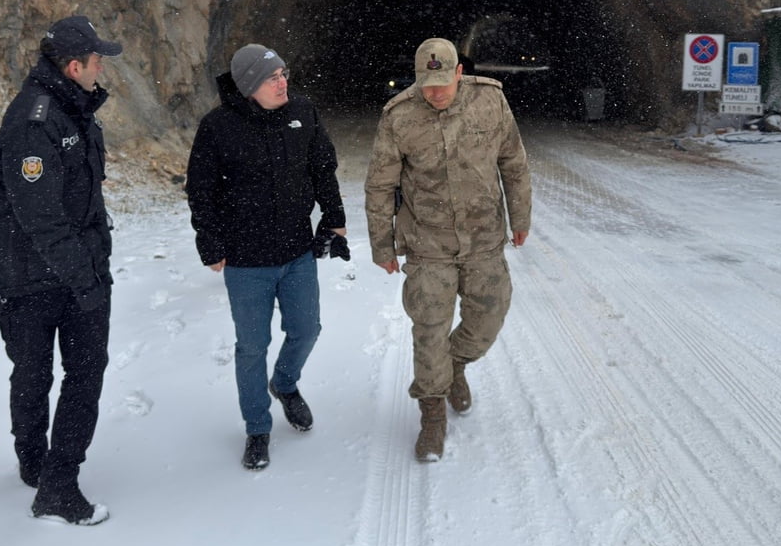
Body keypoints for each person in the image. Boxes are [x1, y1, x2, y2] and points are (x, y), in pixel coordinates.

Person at [0, 15, 122, 526]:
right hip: (32, 278)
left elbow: (83, 200)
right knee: (40, 373)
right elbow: (40, 217)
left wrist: (93, 265)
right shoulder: (35, 122)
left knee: (76, 373)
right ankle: (51, 482)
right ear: (73, 66)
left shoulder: (73, 111)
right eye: (96, 59)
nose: (101, 66)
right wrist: (86, 280)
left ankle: (47, 469)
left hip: (70, 269)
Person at [364, 37, 531, 461]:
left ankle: (454, 365)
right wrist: (382, 244)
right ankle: (432, 415)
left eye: (443, 84)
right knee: (429, 329)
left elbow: (513, 163)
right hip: (428, 242)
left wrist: (520, 218)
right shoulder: (399, 116)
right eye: (427, 85)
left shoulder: (490, 101)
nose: (435, 93)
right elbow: (380, 184)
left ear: (459, 72)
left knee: (489, 316)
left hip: (483, 238)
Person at [186, 43, 348, 470]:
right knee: (252, 346)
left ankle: (285, 384)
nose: (282, 83)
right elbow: (201, 190)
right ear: (248, 87)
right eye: (271, 78)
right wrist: (209, 242)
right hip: (246, 262)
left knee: (307, 329)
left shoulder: (303, 113)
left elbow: (323, 168)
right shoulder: (218, 127)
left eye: (283, 74)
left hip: (296, 252)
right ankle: (257, 427)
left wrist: (334, 219)